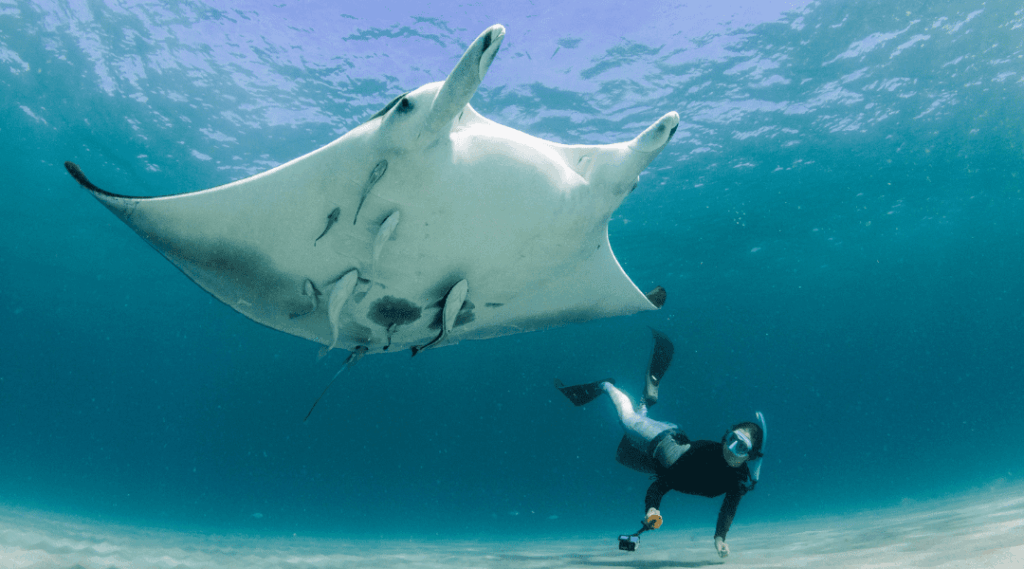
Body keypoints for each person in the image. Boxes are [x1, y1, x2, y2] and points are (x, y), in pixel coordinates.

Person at [555, 329, 766, 558]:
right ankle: (606, 386)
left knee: (622, 455)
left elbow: (728, 510)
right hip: (662, 438)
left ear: (749, 455)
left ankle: (646, 402)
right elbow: (661, 485)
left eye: (741, 446)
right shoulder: (705, 453)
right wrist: (652, 509)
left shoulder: (737, 482)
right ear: (726, 436)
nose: (731, 449)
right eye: (731, 439)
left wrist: (719, 539)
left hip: (661, 462)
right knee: (627, 420)